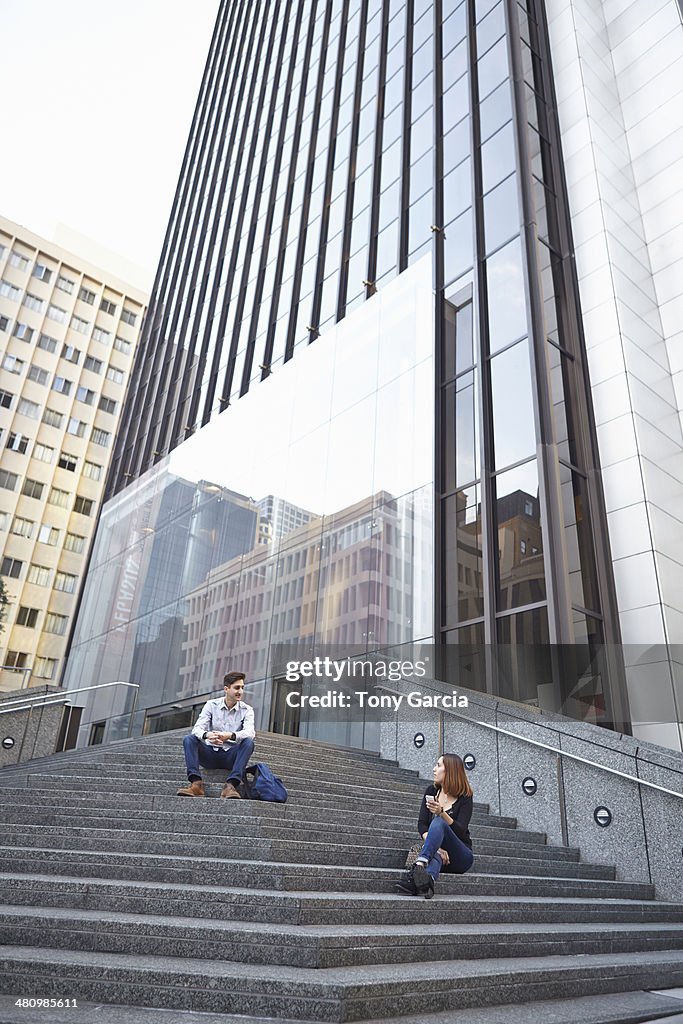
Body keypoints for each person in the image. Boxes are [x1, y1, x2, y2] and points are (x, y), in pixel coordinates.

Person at [397, 752, 474, 898]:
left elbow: (461, 830)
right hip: (438, 854)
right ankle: (427, 881)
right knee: (436, 854)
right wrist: (437, 848)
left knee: (438, 821)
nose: (434, 769)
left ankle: (419, 864)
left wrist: (442, 813)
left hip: (461, 856)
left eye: (438, 766)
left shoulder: (465, 797)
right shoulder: (431, 791)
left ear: (450, 771)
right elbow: (422, 825)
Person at [177, 671, 255, 798]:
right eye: (236, 688)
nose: (240, 691)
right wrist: (208, 735)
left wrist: (229, 735)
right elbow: (197, 729)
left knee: (248, 742)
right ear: (226, 689)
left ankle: (230, 786)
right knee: (189, 739)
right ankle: (196, 784)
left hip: (231, 756)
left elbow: (250, 733)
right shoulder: (211, 705)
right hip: (210, 754)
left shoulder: (247, 710)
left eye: (242, 688)